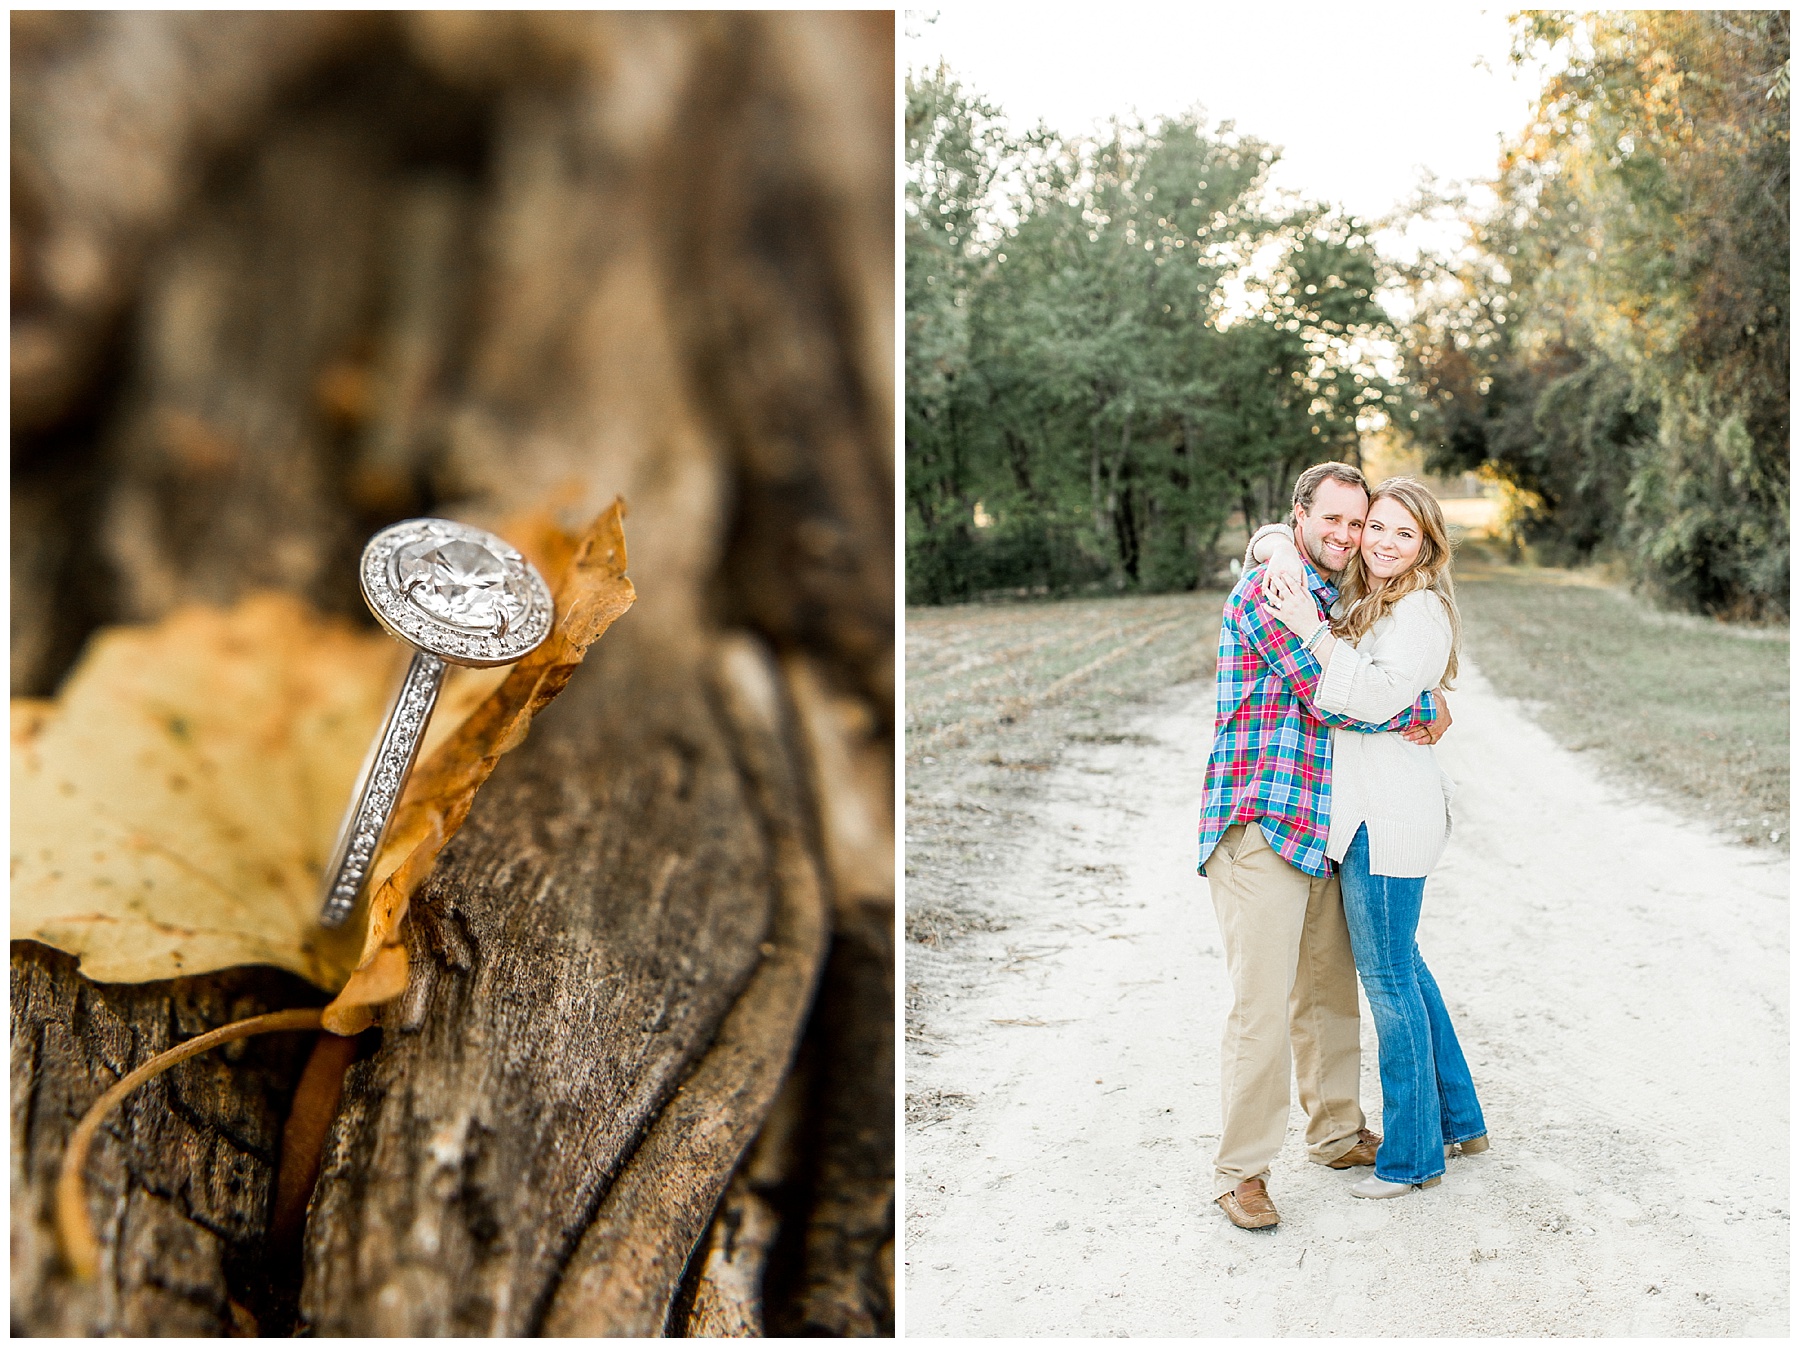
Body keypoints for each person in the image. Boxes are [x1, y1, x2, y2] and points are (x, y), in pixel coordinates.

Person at [1197, 461, 1446, 1232]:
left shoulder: (1328, 590)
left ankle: (1336, 1131)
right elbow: (1342, 697)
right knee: (1262, 1007)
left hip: (1322, 828)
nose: (1345, 535)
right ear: (1299, 516)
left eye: (1356, 521)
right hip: (1260, 824)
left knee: (1329, 993)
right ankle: (1241, 1172)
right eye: (1330, 520)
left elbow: (1369, 660)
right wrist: (1421, 703)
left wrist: (1420, 693)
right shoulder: (1275, 591)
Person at [1252, 475, 1488, 1199]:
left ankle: (1413, 1158)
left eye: (1401, 533)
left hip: (1388, 821)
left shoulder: (1418, 610)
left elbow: (1374, 698)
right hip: (1362, 816)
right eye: (1374, 527)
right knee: (1404, 967)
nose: (1381, 542)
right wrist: (1275, 550)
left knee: (1387, 982)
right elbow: (1271, 538)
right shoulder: (1368, 595)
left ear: (1427, 546)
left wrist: (1310, 633)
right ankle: (1460, 1118)